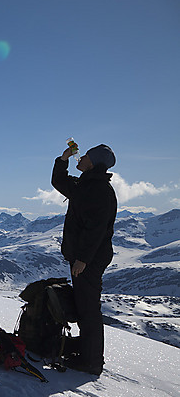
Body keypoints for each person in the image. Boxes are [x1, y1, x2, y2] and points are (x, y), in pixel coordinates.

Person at [51, 143, 118, 375]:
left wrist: (82, 259)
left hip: (88, 260)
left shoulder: (98, 190)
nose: (82, 157)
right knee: (84, 305)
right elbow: (60, 183)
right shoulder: (86, 185)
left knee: (88, 309)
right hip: (84, 258)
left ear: (93, 162)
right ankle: (86, 354)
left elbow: (96, 229)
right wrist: (63, 159)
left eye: (86, 155)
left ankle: (90, 362)